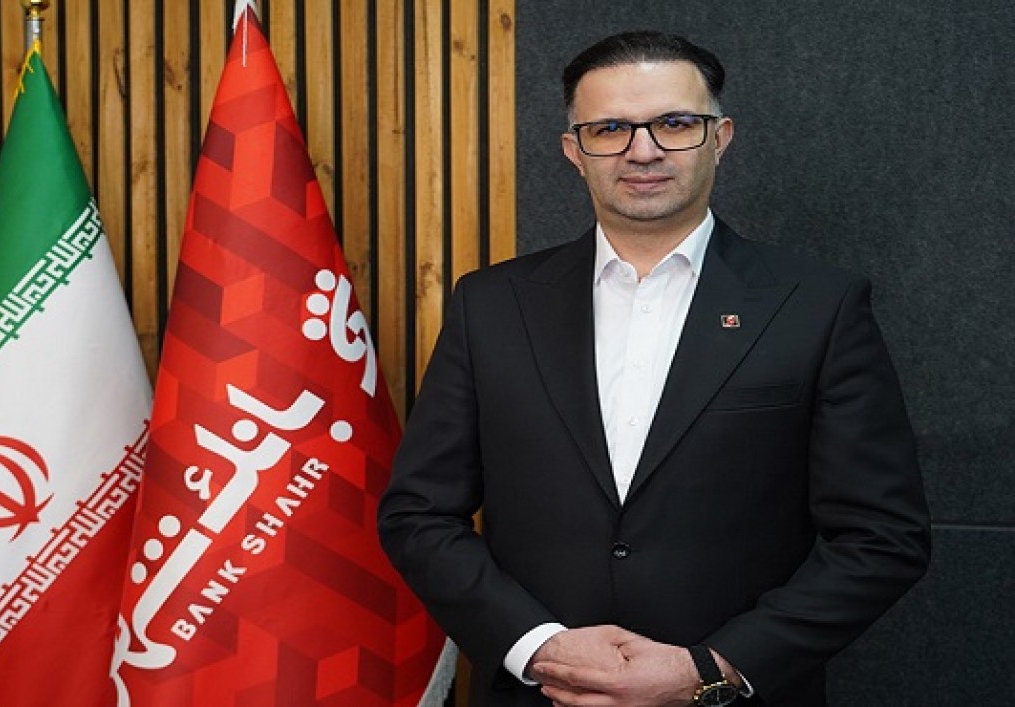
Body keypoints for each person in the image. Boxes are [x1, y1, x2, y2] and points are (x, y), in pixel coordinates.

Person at [377, 30, 930, 707]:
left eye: (674, 123)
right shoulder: (490, 305)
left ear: (720, 138)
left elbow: (884, 537)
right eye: (610, 128)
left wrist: (710, 668)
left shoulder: (819, 305)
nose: (643, 150)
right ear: (574, 151)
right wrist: (538, 646)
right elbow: (418, 513)